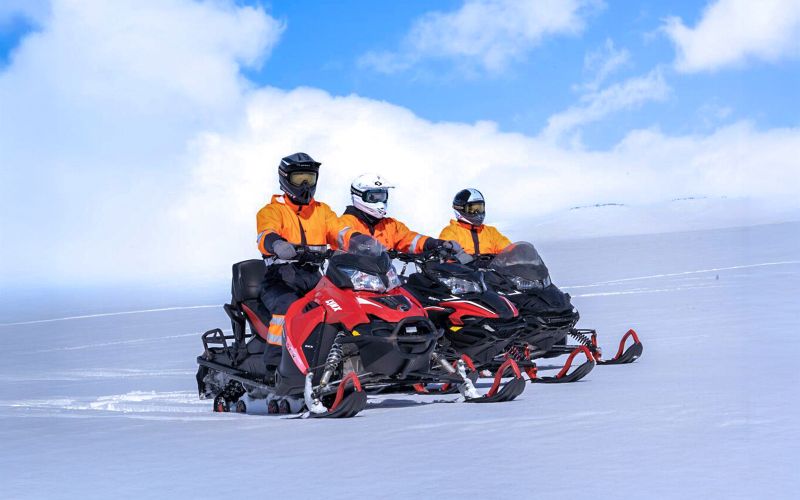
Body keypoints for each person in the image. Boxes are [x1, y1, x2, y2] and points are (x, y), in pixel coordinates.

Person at [256, 153, 365, 374]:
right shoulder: (272, 210)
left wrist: (358, 241)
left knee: (341, 306)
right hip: (281, 278)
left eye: (310, 178)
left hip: (314, 276)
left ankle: (344, 359)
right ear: (285, 178)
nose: (306, 185)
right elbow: (265, 233)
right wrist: (276, 243)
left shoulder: (322, 210)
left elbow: (338, 231)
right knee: (288, 308)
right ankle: (276, 365)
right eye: (299, 179)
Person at [339, 173, 470, 262]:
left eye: (382, 196)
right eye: (374, 197)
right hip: (351, 279)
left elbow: (410, 239)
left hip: (382, 279)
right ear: (359, 196)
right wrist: (364, 245)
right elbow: (344, 237)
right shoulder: (345, 222)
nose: (380, 202)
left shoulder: (390, 225)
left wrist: (436, 243)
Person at [439, 188, 511, 255]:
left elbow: (508, 249)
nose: (478, 213)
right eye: (472, 209)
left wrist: (514, 253)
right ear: (460, 208)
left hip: (492, 265)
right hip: (464, 265)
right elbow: (446, 256)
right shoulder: (451, 232)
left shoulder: (491, 232)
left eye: (480, 208)